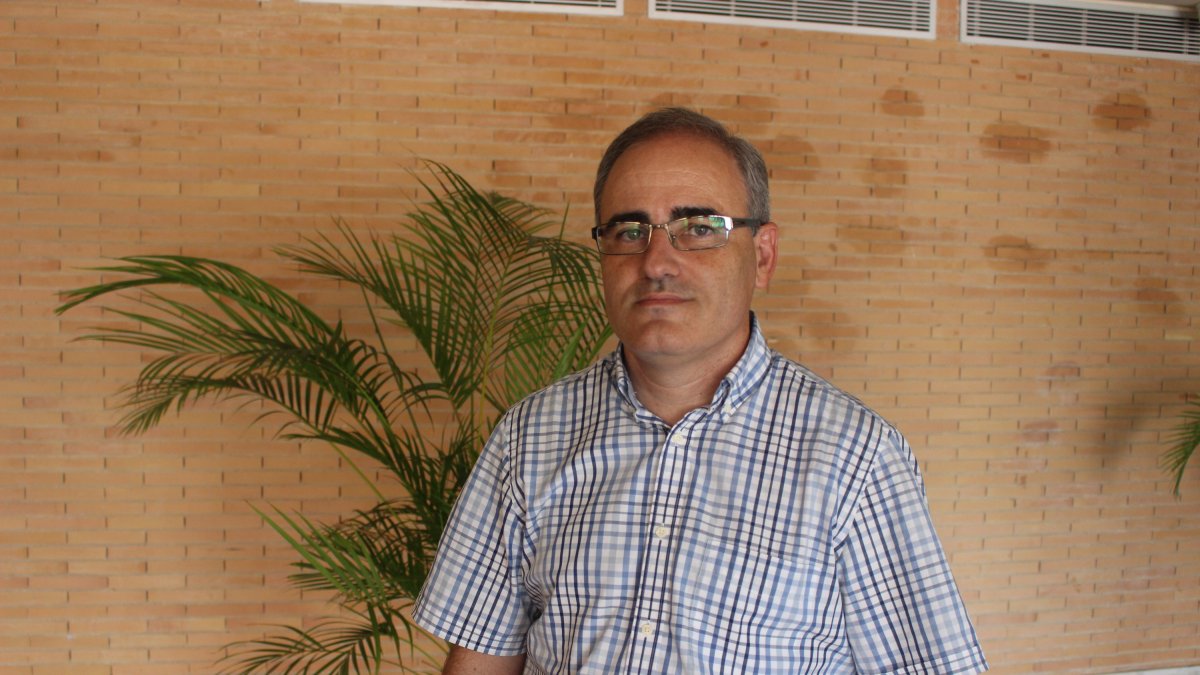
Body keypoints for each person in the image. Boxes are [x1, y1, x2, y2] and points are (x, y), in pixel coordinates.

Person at [412, 107, 988, 674]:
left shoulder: (856, 459)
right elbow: (482, 658)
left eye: (700, 228)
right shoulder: (530, 436)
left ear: (762, 256)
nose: (657, 262)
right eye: (629, 231)